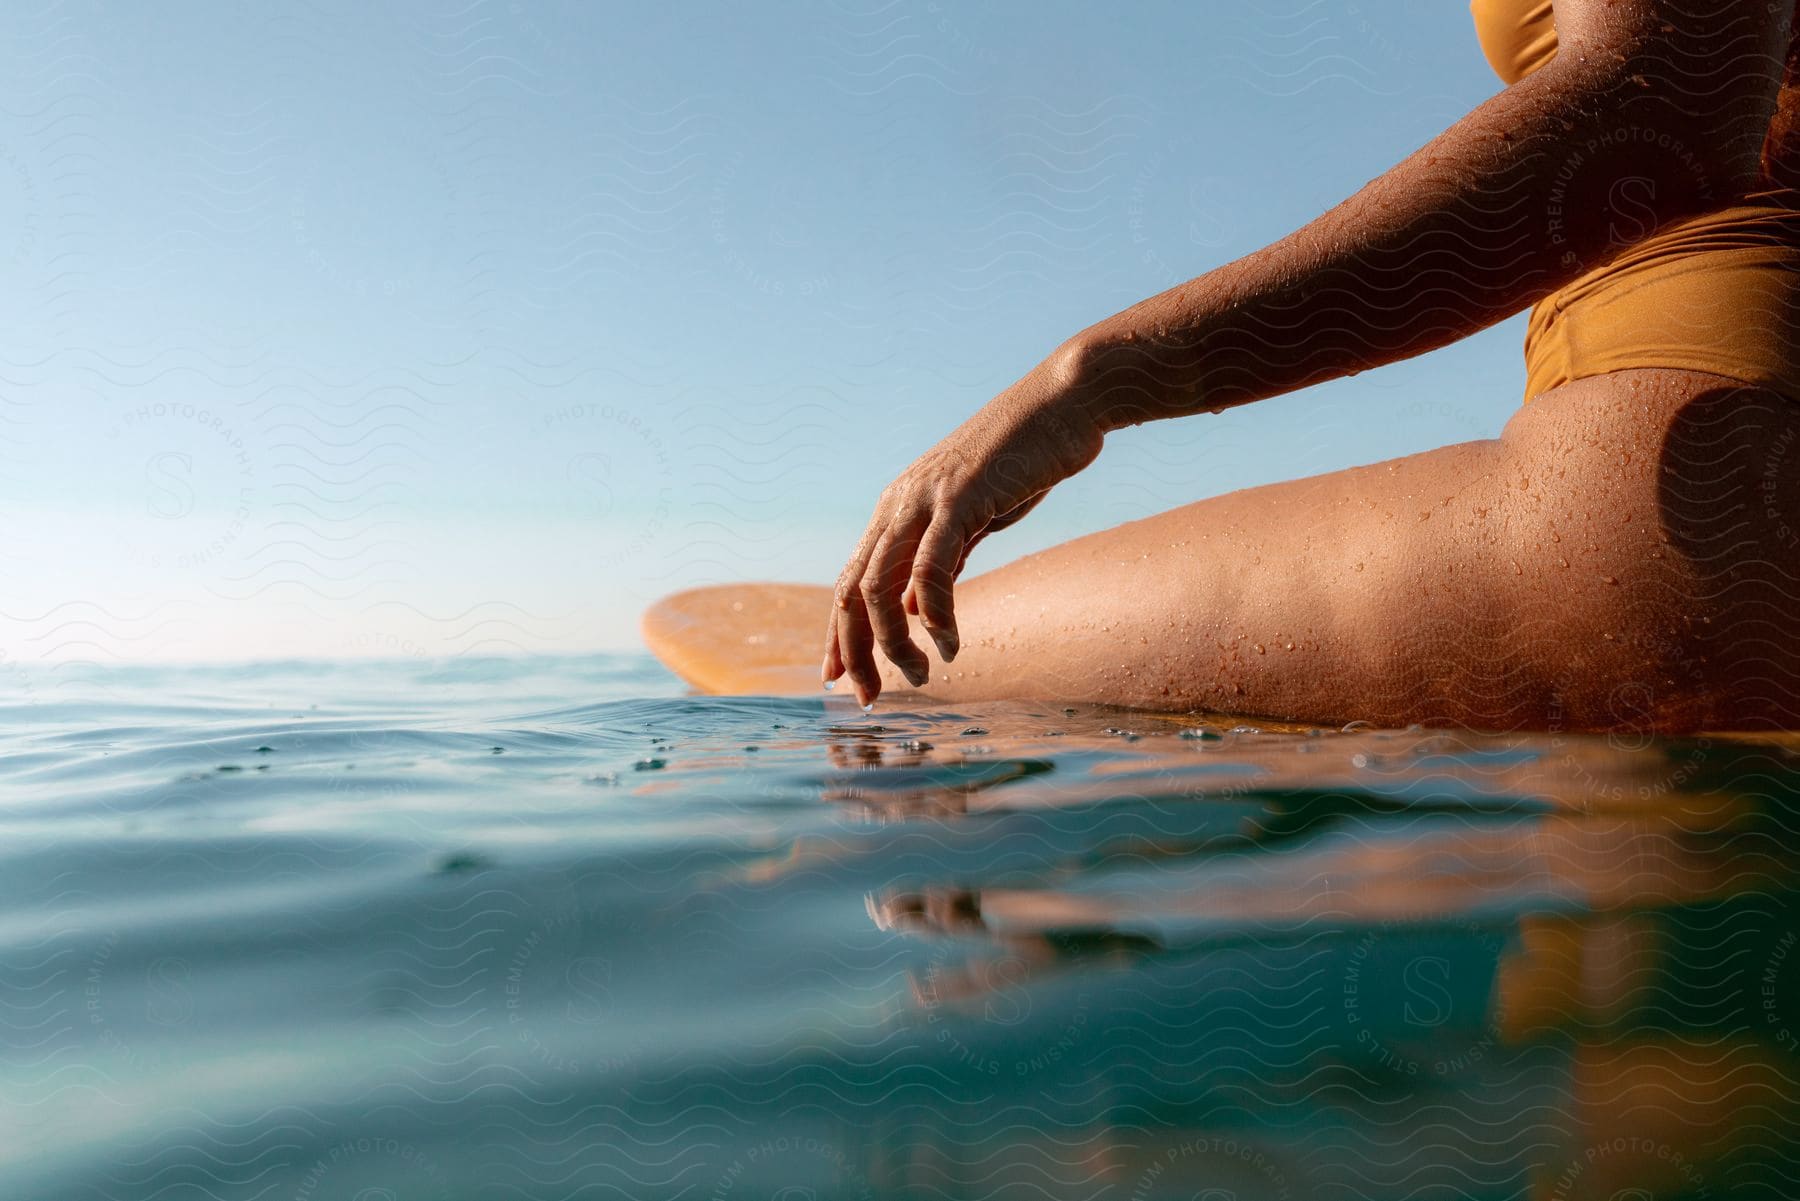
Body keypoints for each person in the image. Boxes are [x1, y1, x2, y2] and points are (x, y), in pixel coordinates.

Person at [820, 0, 1800, 734]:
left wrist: (1089, 383)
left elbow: (1670, 116)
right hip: (1719, 492)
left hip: (1685, 514)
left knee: (872, 678)